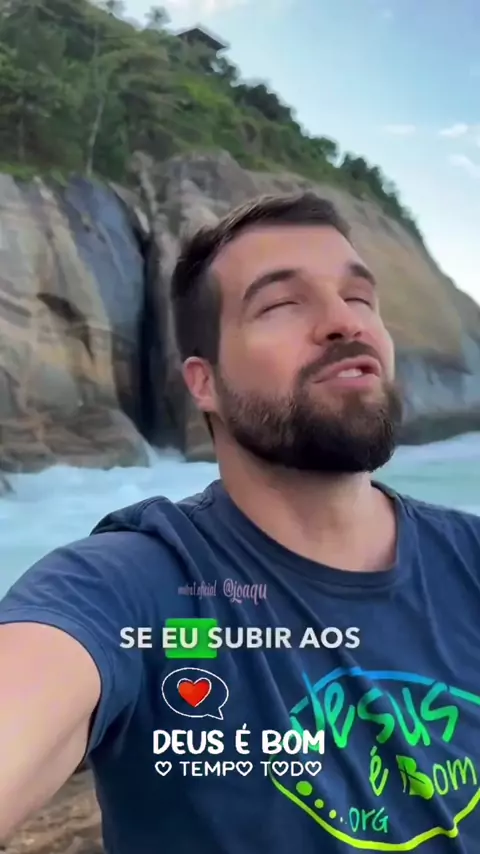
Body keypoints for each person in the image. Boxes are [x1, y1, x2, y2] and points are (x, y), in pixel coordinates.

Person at [1, 192, 479, 854]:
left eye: (360, 298)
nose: (344, 323)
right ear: (203, 383)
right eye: (282, 304)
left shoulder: (470, 560)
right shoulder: (131, 588)